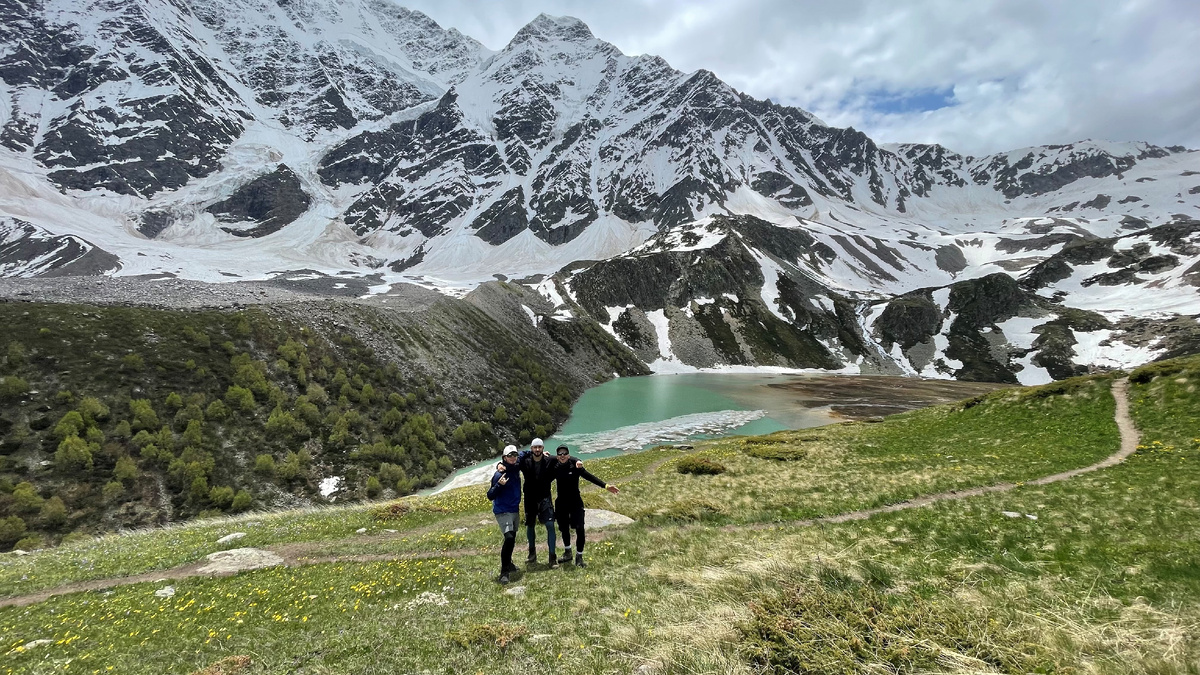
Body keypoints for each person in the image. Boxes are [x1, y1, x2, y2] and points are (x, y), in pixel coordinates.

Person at [552, 444, 619, 568]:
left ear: (568, 455)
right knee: (564, 528)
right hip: (561, 503)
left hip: (575, 502)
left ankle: (579, 556)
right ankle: (568, 553)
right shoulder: (554, 466)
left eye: (565, 454)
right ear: (557, 456)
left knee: (580, 529)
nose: (562, 456)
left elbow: (589, 477)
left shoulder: (575, 466)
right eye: (560, 454)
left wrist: (606, 486)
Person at [486, 445, 522, 584]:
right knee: (509, 537)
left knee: (512, 539)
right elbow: (490, 495)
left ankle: (510, 563)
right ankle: (504, 572)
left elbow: (526, 454)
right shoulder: (498, 475)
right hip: (502, 510)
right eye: (510, 456)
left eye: (514, 455)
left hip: (514, 509)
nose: (513, 458)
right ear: (504, 458)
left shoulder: (516, 467)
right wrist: (499, 485)